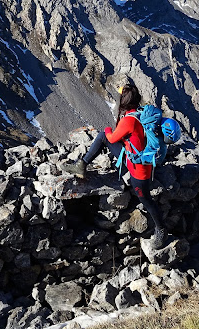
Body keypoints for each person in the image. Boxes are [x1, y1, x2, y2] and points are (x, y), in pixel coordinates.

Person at [63, 83, 177, 248]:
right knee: (105, 137)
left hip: (138, 171)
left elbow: (111, 138)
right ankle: (82, 164)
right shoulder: (142, 113)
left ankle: (161, 229)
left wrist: (109, 128)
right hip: (145, 163)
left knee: (146, 200)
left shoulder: (128, 121)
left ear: (123, 102)